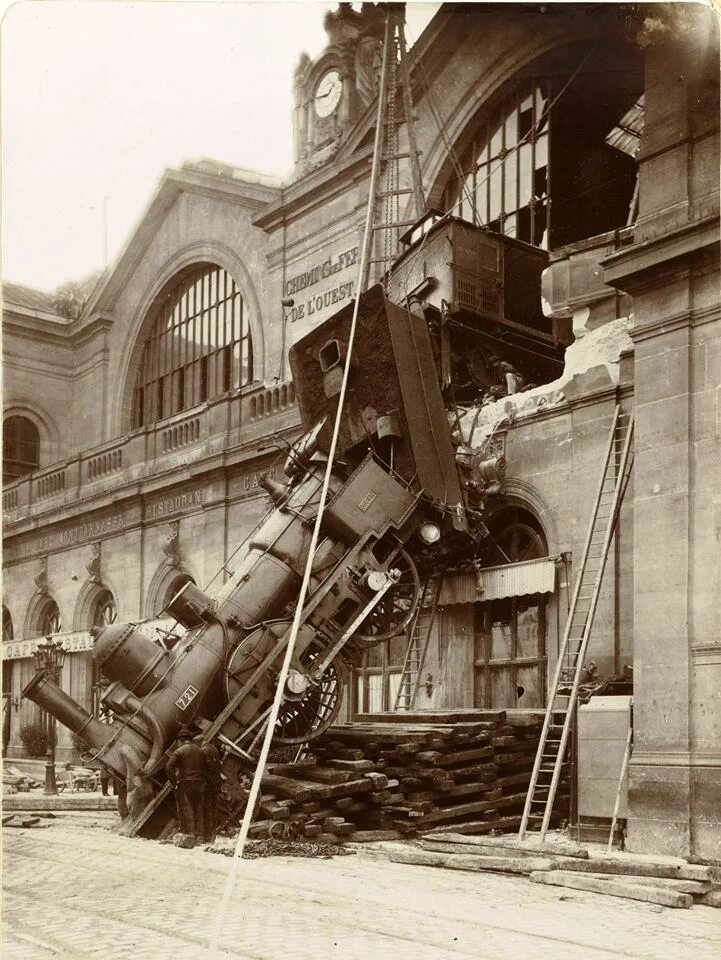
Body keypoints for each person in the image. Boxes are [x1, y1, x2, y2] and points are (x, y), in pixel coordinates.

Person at [166, 727, 206, 844]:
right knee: (199, 810)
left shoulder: (179, 751)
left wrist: (175, 782)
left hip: (186, 782)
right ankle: (199, 837)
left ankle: (190, 835)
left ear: (180, 740)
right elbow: (206, 767)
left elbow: (169, 767)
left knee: (187, 809)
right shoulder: (200, 750)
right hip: (200, 783)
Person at [196, 736, 222, 843]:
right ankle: (213, 835)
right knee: (213, 809)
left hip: (209, 785)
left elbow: (208, 768)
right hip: (217, 783)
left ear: (199, 742)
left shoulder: (204, 751)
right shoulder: (213, 748)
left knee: (206, 809)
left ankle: (207, 836)